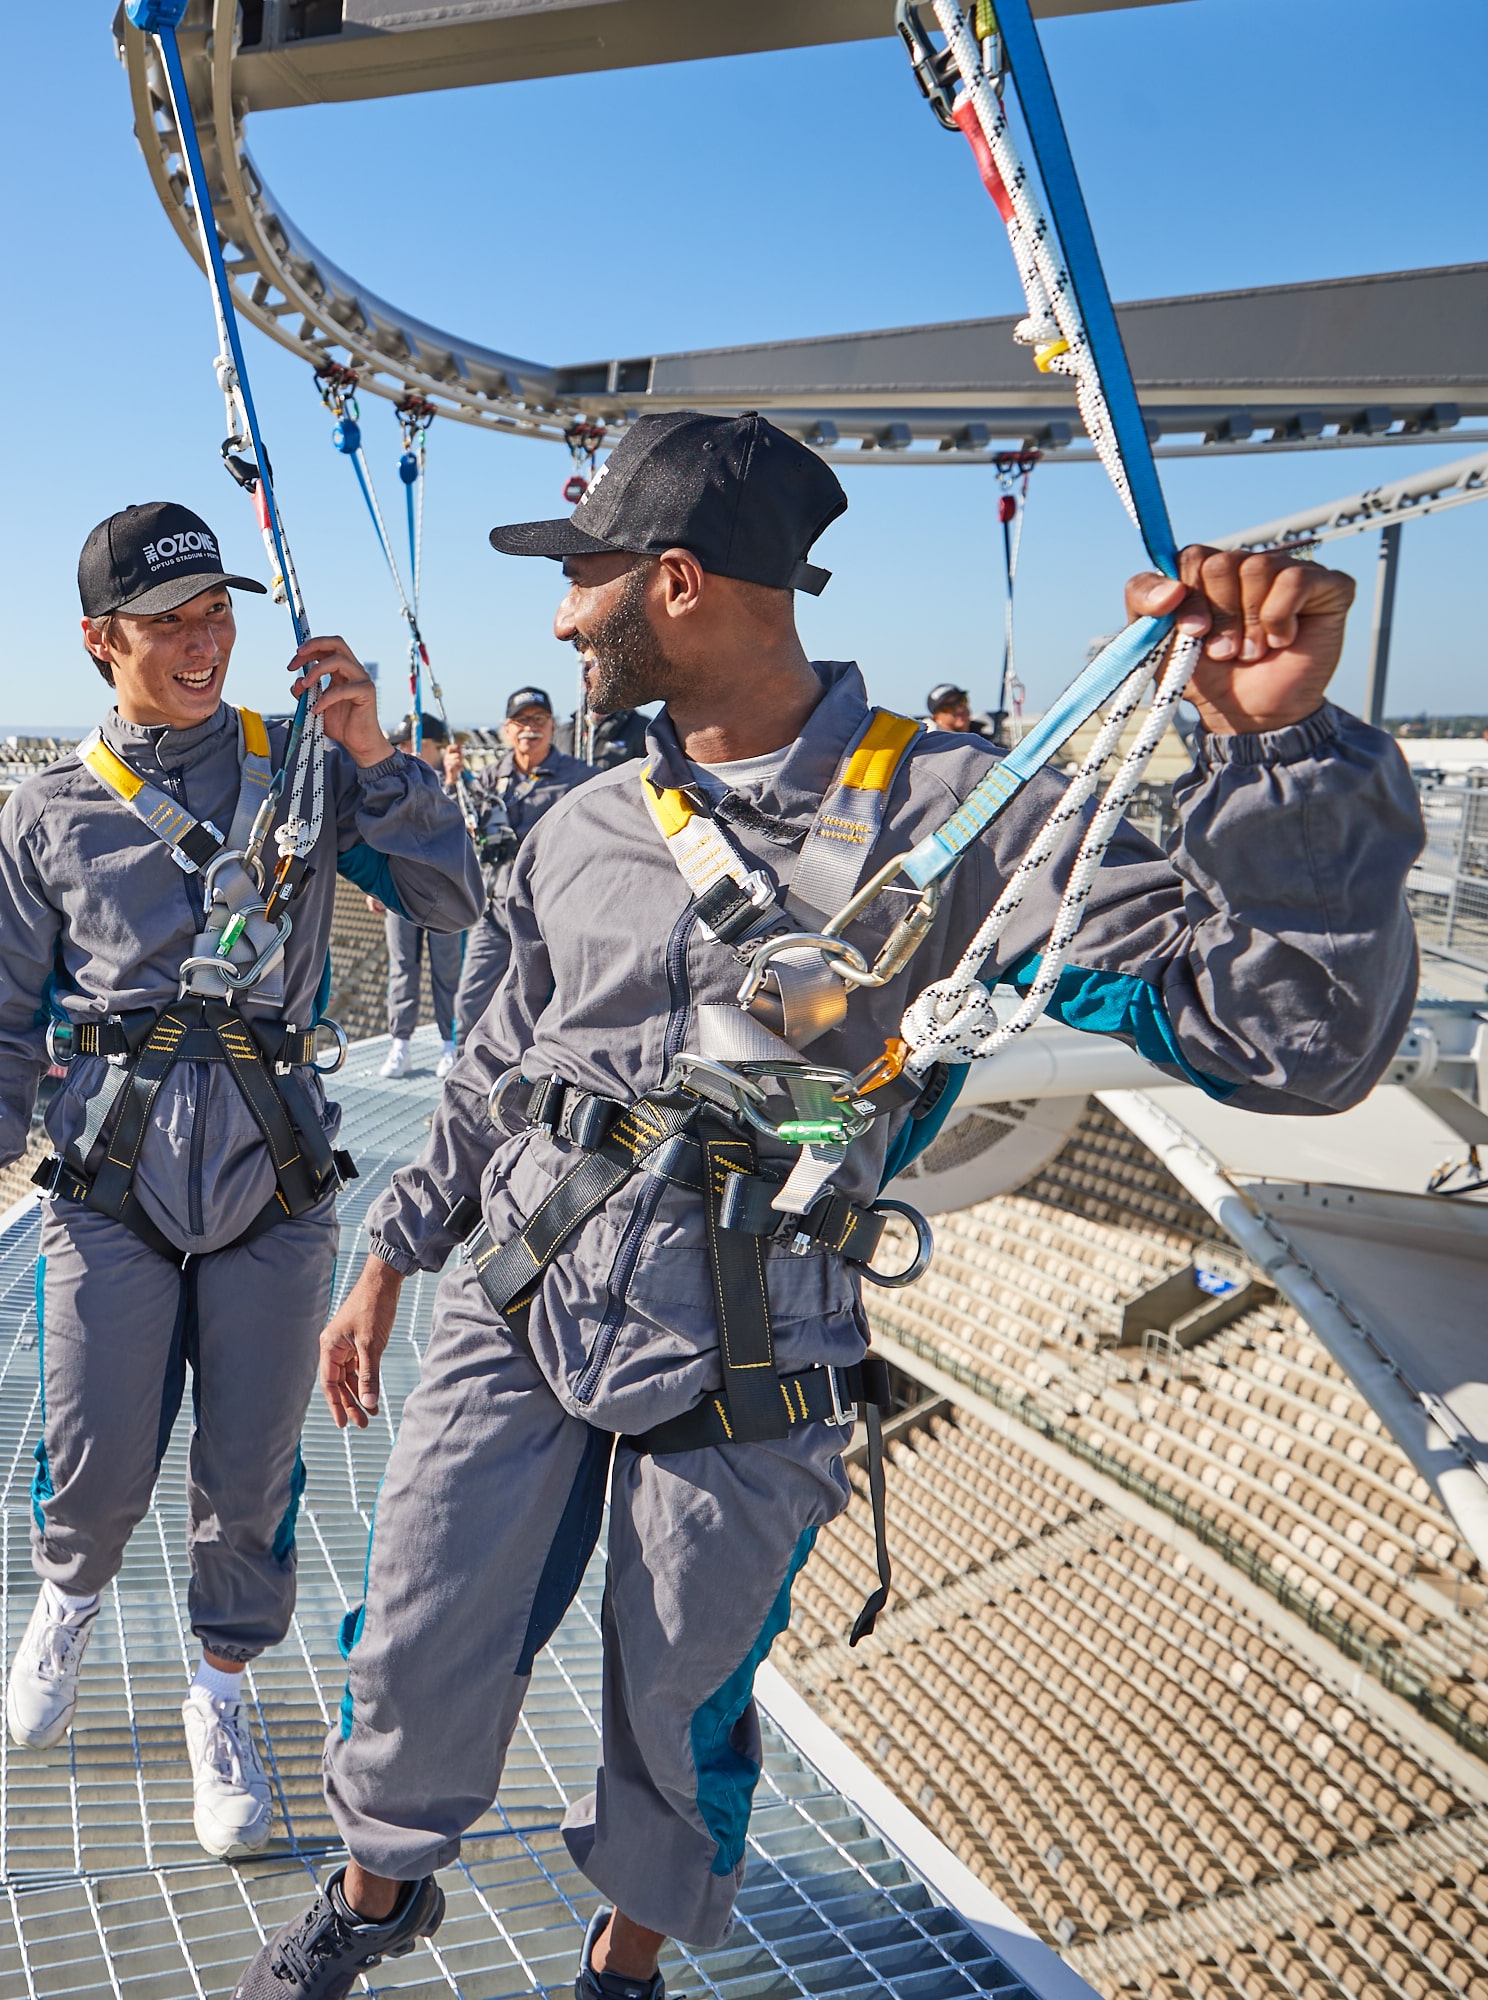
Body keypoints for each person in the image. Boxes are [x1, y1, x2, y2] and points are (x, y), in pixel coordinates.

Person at [234, 412, 1418, 2000]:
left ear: (674, 584)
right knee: (421, 1630)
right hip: (522, 1292)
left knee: (684, 1694)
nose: (564, 620)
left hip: (754, 1333)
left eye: (584, 580)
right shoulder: (585, 820)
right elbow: (503, 1059)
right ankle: (374, 1899)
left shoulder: (970, 818)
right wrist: (394, 1254)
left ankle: (623, 1966)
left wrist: (1282, 757)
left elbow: (1291, 1045)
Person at [0, 500, 482, 1862]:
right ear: (101, 641)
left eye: (219, 616)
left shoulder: (304, 768)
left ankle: (220, 1691)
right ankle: (69, 1597)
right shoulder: (49, 811)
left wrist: (377, 756)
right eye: (171, 624)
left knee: (249, 1476)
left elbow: (452, 898)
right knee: (96, 1461)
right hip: (109, 1187)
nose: (205, 645)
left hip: (273, 1181)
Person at [448, 686, 598, 1041]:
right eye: (521, 721)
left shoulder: (580, 777)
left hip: (550, 913)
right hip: (495, 908)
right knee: (470, 1002)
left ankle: (531, 1071)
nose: (530, 728)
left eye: (539, 719)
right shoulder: (490, 776)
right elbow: (453, 825)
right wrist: (453, 782)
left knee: (542, 1005)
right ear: (507, 729)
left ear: (552, 726)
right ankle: (467, 1067)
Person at [375, 714, 466, 1075]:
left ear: (438, 747)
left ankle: (451, 1043)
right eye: (402, 744)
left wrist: (454, 781)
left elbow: (465, 828)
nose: (408, 751)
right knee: (402, 966)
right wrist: (377, 882)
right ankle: (400, 1042)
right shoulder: (394, 783)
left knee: (448, 969)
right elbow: (382, 832)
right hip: (401, 886)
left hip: (445, 892)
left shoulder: (458, 782)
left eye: (417, 743)